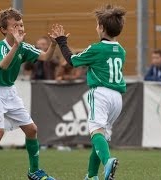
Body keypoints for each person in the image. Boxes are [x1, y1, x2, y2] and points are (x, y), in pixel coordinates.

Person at [0, 8, 56, 180]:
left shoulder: (24, 47)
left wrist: (54, 44)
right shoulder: (0, 47)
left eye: (21, 24)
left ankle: (34, 172)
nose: (19, 28)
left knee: (32, 130)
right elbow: (3, 65)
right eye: (15, 25)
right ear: (4, 30)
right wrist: (17, 46)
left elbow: (45, 57)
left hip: (9, 91)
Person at [50, 4, 126, 180]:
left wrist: (62, 41)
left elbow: (72, 60)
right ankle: (91, 176)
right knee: (102, 137)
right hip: (118, 98)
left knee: (95, 132)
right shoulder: (121, 50)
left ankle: (107, 162)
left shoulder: (97, 48)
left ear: (101, 28)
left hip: (101, 94)